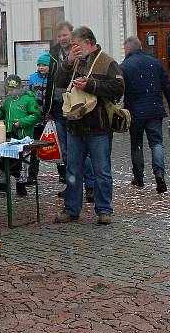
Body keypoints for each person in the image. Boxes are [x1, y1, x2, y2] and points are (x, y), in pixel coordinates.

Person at [53, 26, 124, 226]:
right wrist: (67, 63)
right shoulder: (75, 62)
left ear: (89, 43)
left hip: (99, 126)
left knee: (102, 170)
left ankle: (104, 210)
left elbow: (118, 89)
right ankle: (71, 209)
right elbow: (58, 82)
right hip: (76, 125)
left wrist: (90, 85)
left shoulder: (107, 62)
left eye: (76, 45)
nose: (73, 48)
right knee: (73, 170)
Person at [121, 36, 170, 193]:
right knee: (156, 143)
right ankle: (159, 175)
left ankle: (139, 178)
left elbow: (118, 90)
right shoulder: (155, 63)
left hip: (135, 113)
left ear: (128, 49)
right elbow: (167, 86)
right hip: (154, 110)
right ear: (140, 47)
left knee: (137, 144)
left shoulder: (125, 66)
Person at [47, 22, 95, 201]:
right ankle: (72, 184)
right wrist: (49, 108)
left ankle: (90, 185)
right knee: (66, 151)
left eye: (65, 35)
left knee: (83, 149)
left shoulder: (81, 51)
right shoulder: (53, 54)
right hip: (59, 106)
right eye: (59, 36)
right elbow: (51, 83)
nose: (62, 39)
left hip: (76, 105)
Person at [0, 75, 41, 196]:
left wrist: (22, 122)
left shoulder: (28, 99)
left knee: (21, 161)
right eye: (9, 89)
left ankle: (20, 184)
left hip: (23, 135)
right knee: (2, 158)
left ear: (20, 88)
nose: (11, 92)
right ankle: (2, 183)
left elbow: (35, 115)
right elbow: (2, 113)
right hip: (7, 134)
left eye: (14, 89)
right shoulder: (7, 100)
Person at [25, 53, 51, 184]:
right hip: (36, 119)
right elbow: (28, 94)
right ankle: (32, 174)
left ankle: (63, 174)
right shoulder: (33, 78)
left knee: (55, 145)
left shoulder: (54, 78)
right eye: (39, 65)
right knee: (34, 148)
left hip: (50, 119)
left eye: (44, 65)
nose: (41, 67)